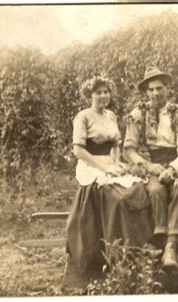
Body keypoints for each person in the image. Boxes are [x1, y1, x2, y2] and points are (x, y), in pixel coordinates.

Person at [66, 75, 153, 278]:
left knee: (137, 189)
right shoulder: (83, 117)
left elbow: (115, 144)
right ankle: (117, 256)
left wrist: (114, 163)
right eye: (99, 92)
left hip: (109, 162)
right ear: (90, 95)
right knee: (118, 199)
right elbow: (78, 150)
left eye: (106, 92)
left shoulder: (111, 116)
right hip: (90, 164)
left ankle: (139, 251)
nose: (103, 96)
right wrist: (103, 167)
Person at [123, 67, 178, 271]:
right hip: (150, 161)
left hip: (176, 161)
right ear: (146, 92)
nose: (155, 93)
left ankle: (171, 246)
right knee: (155, 190)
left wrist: (172, 168)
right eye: (151, 90)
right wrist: (148, 165)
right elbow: (129, 149)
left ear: (167, 88)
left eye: (159, 88)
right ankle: (165, 245)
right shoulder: (138, 114)